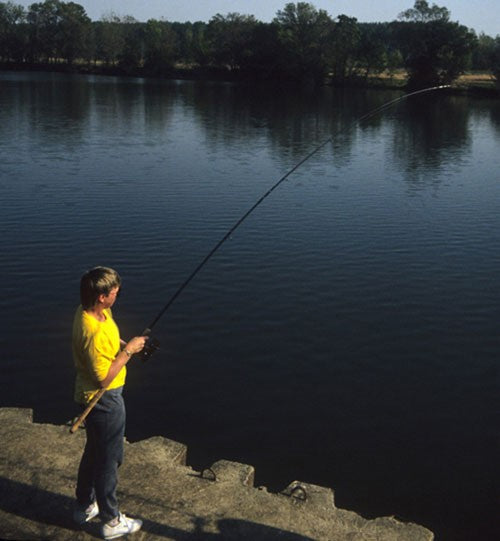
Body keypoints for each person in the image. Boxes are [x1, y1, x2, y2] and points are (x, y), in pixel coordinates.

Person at [72, 266, 147, 540]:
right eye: (115, 292)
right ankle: (111, 520)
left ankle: (83, 505)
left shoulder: (89, 312)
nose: (118, 295)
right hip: (104, 401)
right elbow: (103, 379)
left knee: (93, 451)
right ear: (102, 296)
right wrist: (128, 352)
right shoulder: (93, 334)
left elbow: (109, 341)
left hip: (88, 395)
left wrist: (124, 346)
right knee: (109, 459)